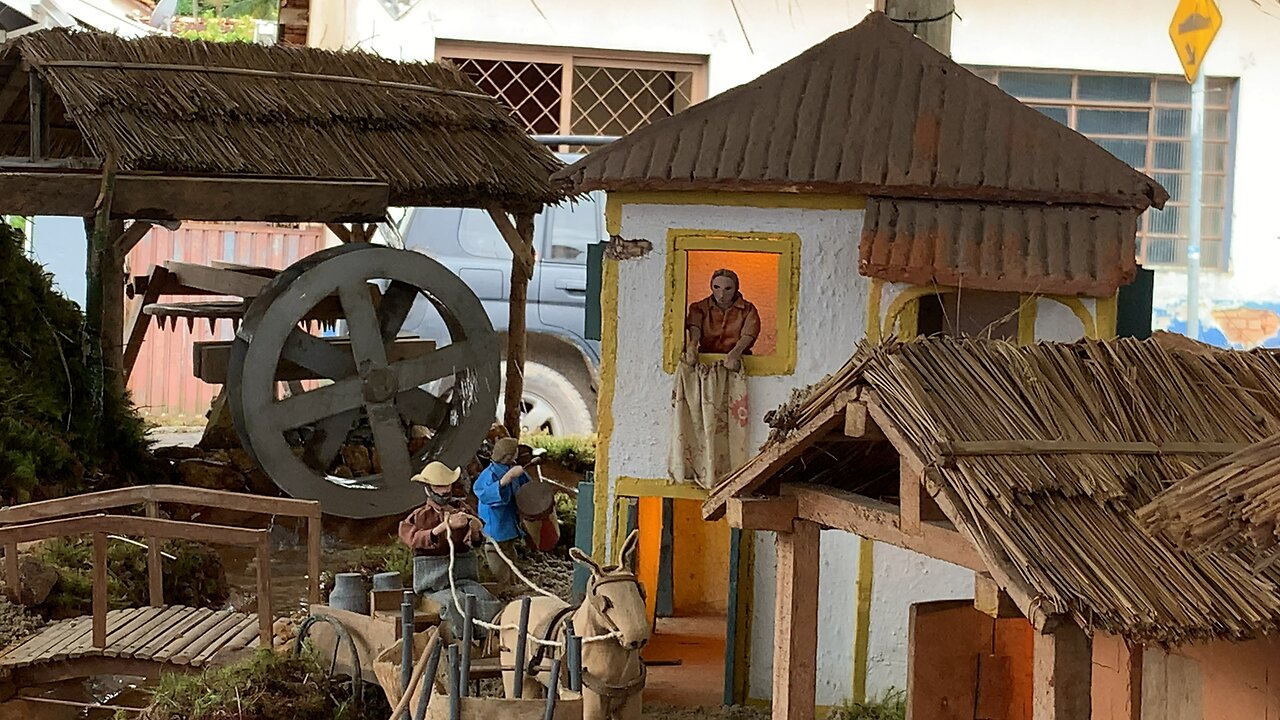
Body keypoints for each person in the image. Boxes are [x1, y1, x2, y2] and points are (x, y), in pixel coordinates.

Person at [398, 461, 503, 638]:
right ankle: (462, 641)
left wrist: (476, 530)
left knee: (485, 599)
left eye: (447, 485)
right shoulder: (419, 517)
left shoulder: (462, 510)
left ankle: (487, 640)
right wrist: (442, 527)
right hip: (434, 584)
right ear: (428, 489)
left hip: (464, 577)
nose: (444, 490)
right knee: (456, 602)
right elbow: (413, 538)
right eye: (438, 487)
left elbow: (475, 542)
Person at [471, 437, 532, 591]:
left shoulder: (514, 468)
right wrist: (506, 479)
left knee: (510, 553)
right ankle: (502, 586)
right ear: (508, 455)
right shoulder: (489, 474)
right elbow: (482, 492)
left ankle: (513, 582)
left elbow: (526, 487)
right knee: (495, 552)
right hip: (495, 521)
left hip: (509, 519)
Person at [684, 268, 761, 371]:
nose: (721, 294)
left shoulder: (748, 310)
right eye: (717, 287)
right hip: (706, 361)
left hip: (737, 361)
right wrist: (692, 345)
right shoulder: (699, 308)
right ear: (711, 286)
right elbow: (695, 327)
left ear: (736, 288)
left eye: (728, 289)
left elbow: (749, 333)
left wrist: (735, 352)